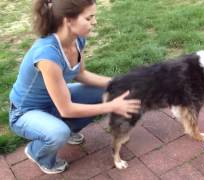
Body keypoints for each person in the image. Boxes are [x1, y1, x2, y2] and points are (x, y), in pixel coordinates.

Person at [8, 0, 141, 174]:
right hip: (25, 112)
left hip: (54, 99)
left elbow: (81, 74)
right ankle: (37, 153)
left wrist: (119, 83)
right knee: (58, 133)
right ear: (68, 20)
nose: (94, 22)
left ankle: (68, 129)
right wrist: (112, 106)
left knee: (105, 91)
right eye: (89, 17)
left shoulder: (77, 39)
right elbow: (67, 109)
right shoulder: (47, 54)